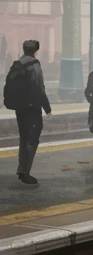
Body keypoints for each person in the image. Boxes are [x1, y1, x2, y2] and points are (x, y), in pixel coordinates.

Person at [3, 40, 52, 187]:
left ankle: (21, 169)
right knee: (32, 140)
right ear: (36, 51)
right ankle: (25, 173)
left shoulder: (17, 64)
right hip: (32, 108)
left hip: (20, 108)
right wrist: (47, 108)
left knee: (24, 138)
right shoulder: (35, 66)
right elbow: (39, 88)